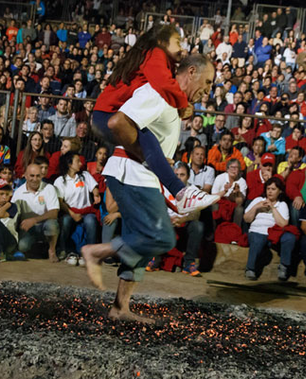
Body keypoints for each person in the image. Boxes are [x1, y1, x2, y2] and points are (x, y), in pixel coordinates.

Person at [82, 54, 214, 323]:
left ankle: (120, 308)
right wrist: (146, 155)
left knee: (142, 244)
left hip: (140, 176)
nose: (209, 89)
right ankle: (96, 251)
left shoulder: (172, 101)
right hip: (132, 174)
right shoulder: (159, 92)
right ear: (191, 72)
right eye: (208, 82)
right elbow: (119, 123)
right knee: (162, 238)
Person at [91, 25, 218, 216]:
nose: (181, 48)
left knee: (147, 239)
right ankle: (180, 191)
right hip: (107, 118)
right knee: (146, 136)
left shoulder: (162, 63)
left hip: (111, 125)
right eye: (177, 42)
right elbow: (164, 84)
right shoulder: (156, 58)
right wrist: (183, 104)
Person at [243, 177, 295, 281]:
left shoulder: (282, 205)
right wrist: (256, 207)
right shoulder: (258, 200)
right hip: (257, 231)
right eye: (268, 189)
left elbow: (283, 224)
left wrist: (273, 208)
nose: (270, 191)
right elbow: (247, 219)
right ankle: (250, 268)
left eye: (273, 189)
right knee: (257, 238)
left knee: (290, 237)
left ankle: (283, 268)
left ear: (279, 191)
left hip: (273, 234)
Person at [54, 151, 100, 265]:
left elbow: (94, 187)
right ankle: (63, 249)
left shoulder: (85, 175)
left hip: (87, 211)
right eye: (77, 161)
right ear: (70, 164)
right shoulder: (60, 181)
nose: (80, 163)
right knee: (65, 221)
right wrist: (72, 214)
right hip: (70, 212)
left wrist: (96, 194)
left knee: (90, 221)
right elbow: (60, 202)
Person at [12, 163, 60, 262]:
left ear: (42, 176)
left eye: (38, 176)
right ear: (25, 176)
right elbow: (13, 215)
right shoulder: (18, 193)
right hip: (27, 228)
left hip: (44, 224)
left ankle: (52, 250)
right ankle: (39, 249)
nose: (35, 179)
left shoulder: (49, 188)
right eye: (32, 176)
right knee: (22, 246)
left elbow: (54, 212)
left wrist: (34, 220)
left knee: (52, 225)